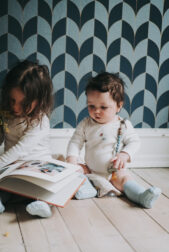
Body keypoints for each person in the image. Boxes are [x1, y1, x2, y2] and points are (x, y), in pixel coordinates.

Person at [66, 72, 161, 208]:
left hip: (113, 172)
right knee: (77, 172)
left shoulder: (123, 125)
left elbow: (134, 142)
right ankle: (85, 190)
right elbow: (75, 142)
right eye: (91, 106)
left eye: (103, 107)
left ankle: (141, 195)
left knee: (125, 179)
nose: (96, 111)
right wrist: (72, 160)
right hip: (91, 170)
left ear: (119, 105)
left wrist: (124, 154)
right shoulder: (86, 124)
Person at [0, 60, 54, 217]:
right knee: (3, 186)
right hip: (12, 166)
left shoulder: (40, 121)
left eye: (24, 104)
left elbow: (21, 148)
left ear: (40, 100)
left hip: (37, 167)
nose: (16, 107)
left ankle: (41, 204)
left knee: (44, 188)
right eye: (12, 100)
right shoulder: (8, 114)